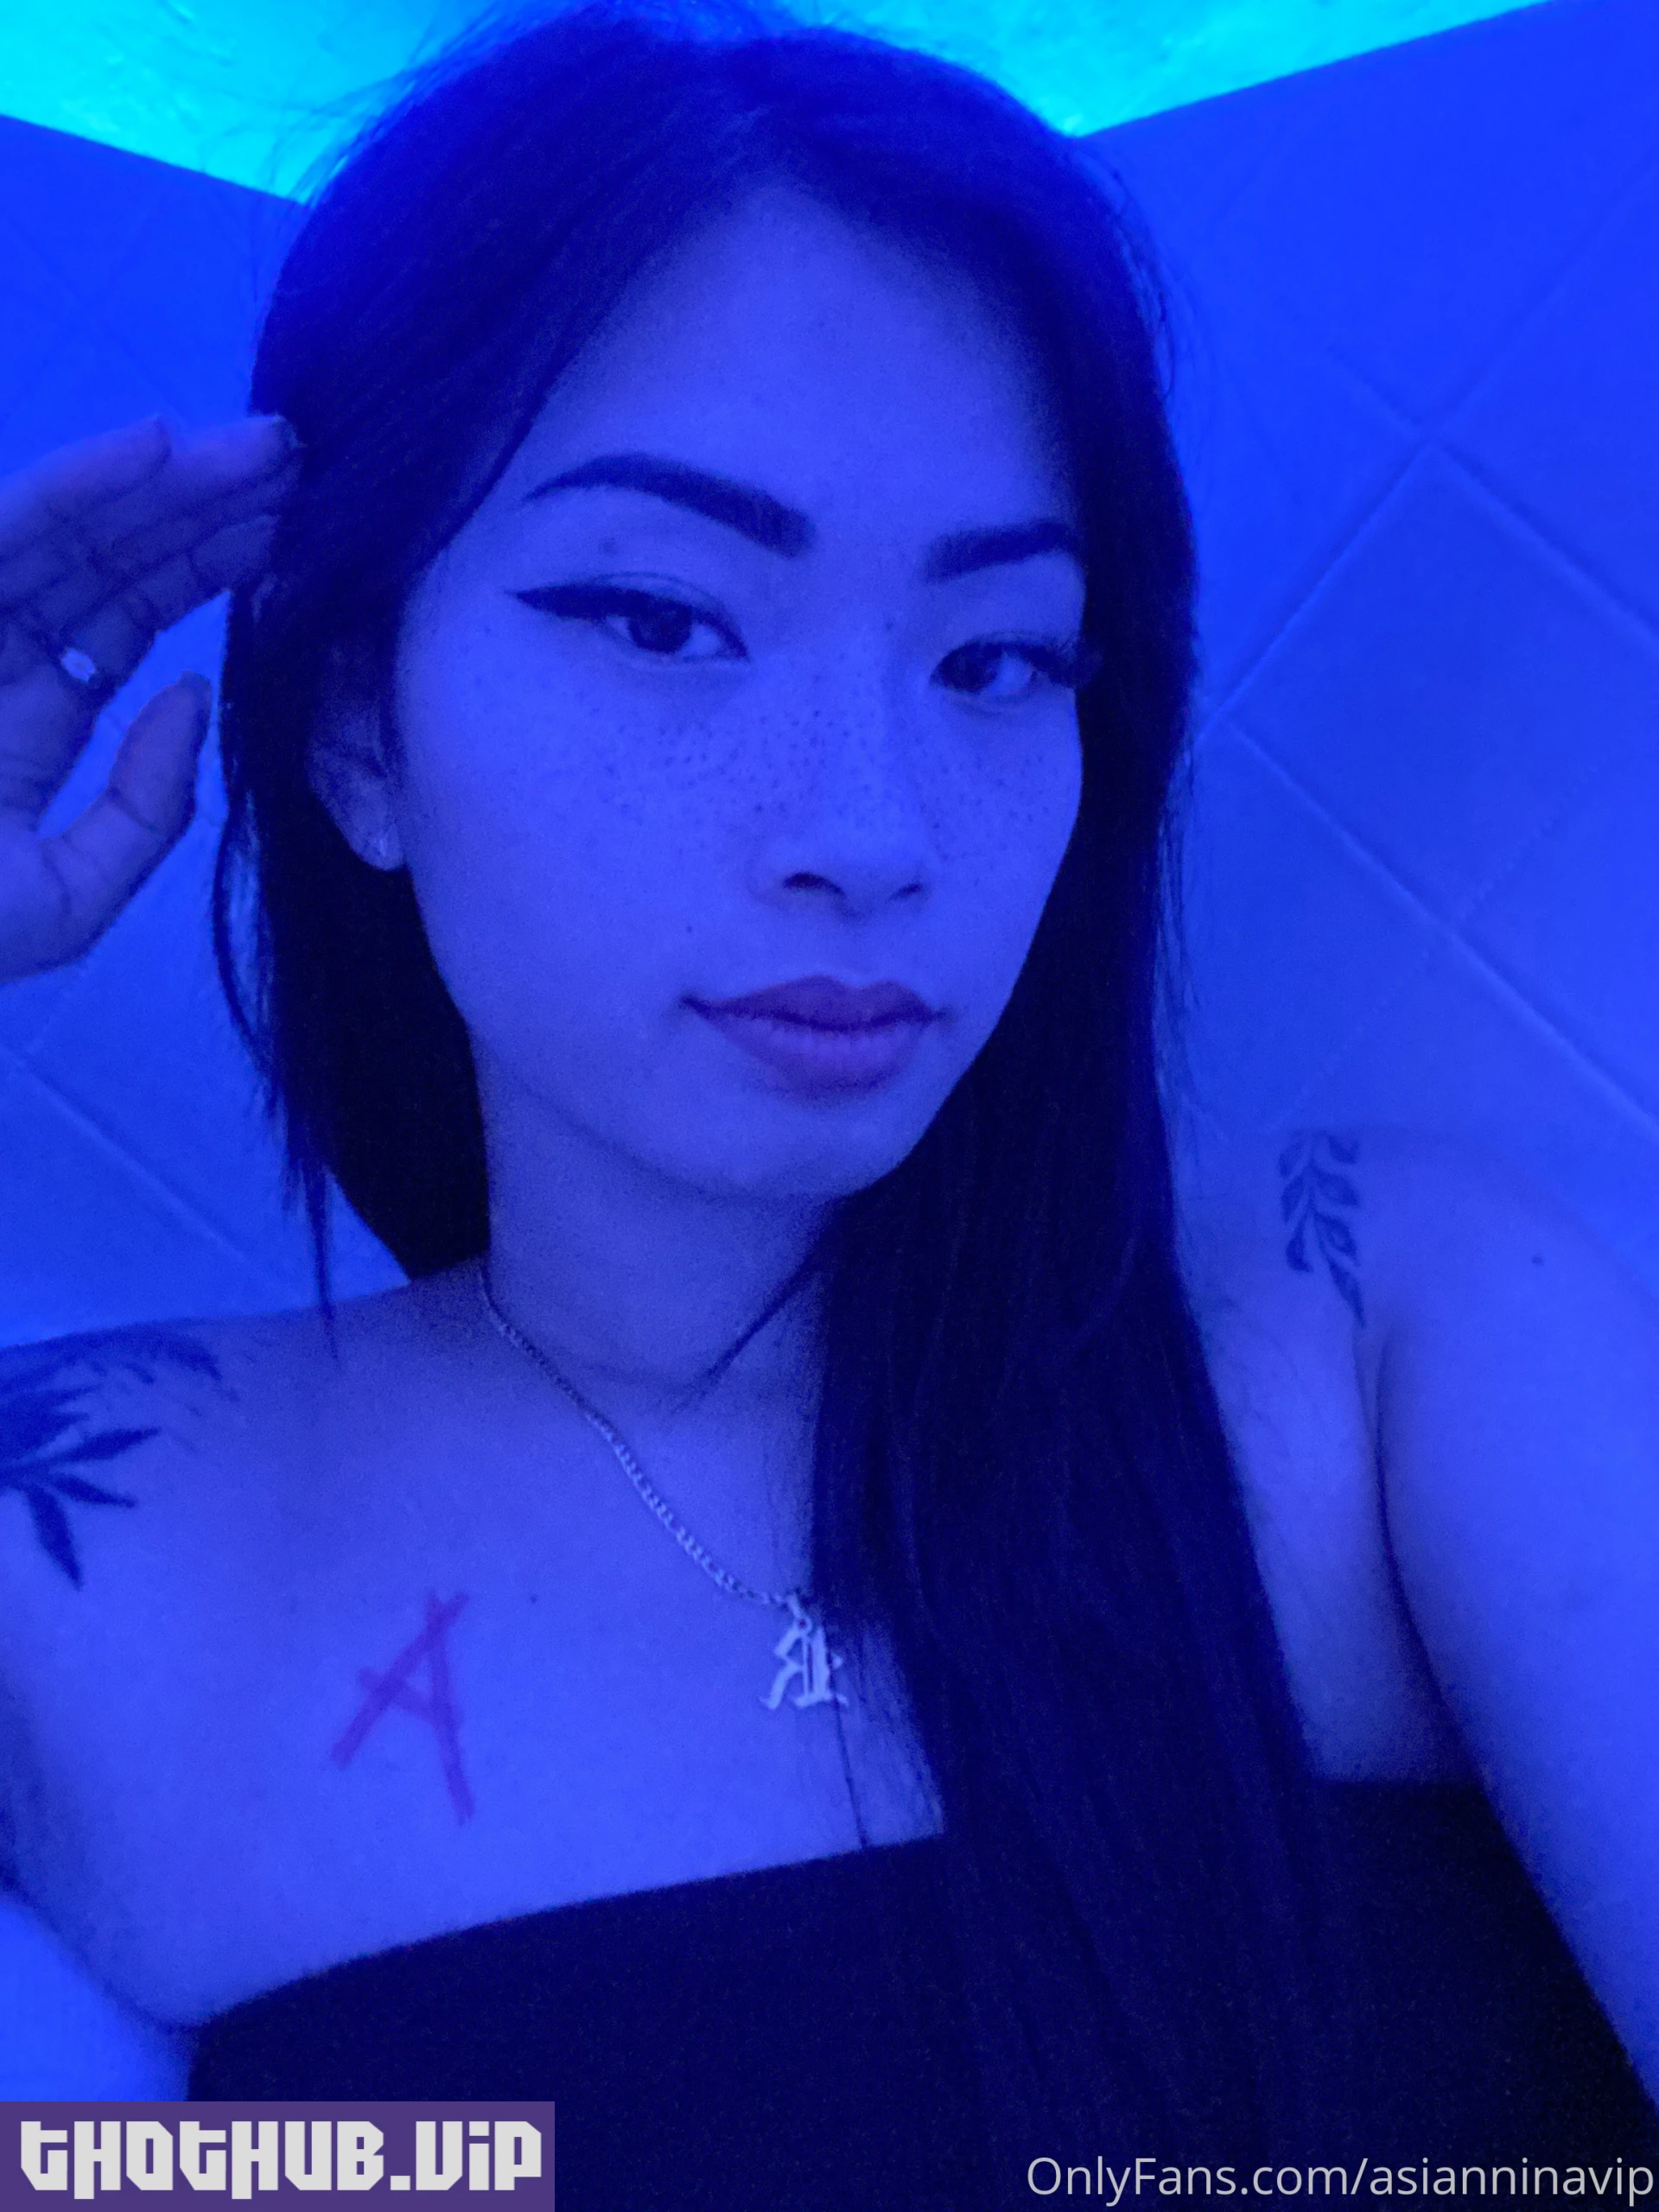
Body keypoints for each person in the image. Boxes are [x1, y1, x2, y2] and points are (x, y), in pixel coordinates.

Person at [1, 0, 1657, 2197]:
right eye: (662, 618)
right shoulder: (86, 1539)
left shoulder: (1383, 1335)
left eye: (995, 656)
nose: (872, 829)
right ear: (360, 731)